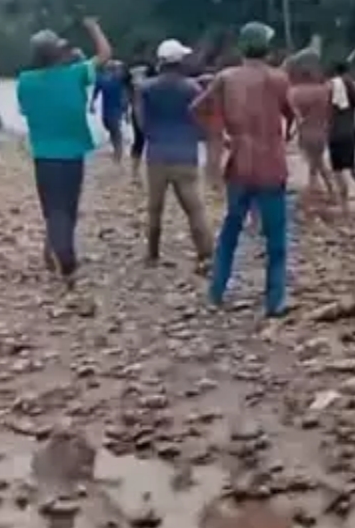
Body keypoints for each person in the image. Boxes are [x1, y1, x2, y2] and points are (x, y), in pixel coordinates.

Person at [191, 22, 294, 317]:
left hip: (239, 161)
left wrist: (221, 134)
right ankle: (275, 300)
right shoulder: (278, 78)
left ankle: (217, 291)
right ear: (267, 48)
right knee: (275, 237)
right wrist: (286, 134)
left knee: (231, 229)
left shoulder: (226, 77)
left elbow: (197, 108)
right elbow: (292, 114)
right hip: (271, 162)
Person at [16, 18, 112, 287]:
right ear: (57, 53)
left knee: (53, 208)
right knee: (67, 208)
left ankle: (53, 252)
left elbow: (24, 110)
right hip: (72, 154)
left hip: (44, 154)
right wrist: (93, 27)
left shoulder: (25, 81)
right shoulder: (75, 74)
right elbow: (105, 55)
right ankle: (66, 260)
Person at [138, 39, 213, 269]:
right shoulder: (192, 88)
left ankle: (152, 254)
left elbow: (141, 121)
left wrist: (153, 134)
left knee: (154, 208)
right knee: (195, 208)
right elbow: (203, 120)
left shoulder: (145, 88)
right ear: (180, 61)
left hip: (157, 153)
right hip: (185, 153)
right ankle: (205, 254)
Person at [288, 52, 336, 198]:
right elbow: (330, 111)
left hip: (306, 132)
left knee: (317, 162)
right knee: (315, 161)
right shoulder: (324, 91)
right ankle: (315, 187)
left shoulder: (294, 92)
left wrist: (289, 133)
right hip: (322, 131)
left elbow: (296, 116)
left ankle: (330, 189)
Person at [325, 60, 355, 213]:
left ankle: (344, 205)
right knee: (352, 166)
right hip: (351, 131)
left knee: (337, 170)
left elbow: (325, 109)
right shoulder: (354, 86)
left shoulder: (330, 86)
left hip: (334, 132)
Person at [124, 52, 158, 181]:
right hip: (151, 107)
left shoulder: (129, 67)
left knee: (138, 140)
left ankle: (134, 172)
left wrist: (126, 109)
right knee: (153, 139)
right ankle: (153, 170)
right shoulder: (150, 65)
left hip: (136, 106)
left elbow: (126, 90)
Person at [90, 59, 129, 163]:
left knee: (115, 130)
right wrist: (92, 104)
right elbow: (96, 91)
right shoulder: (102, 80)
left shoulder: (120, 80)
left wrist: (126, 111)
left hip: (117, 109)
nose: (118, 70)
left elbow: (125, 94)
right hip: (106, 109)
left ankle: (118, 153)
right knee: (110, 128)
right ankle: (117, 149)